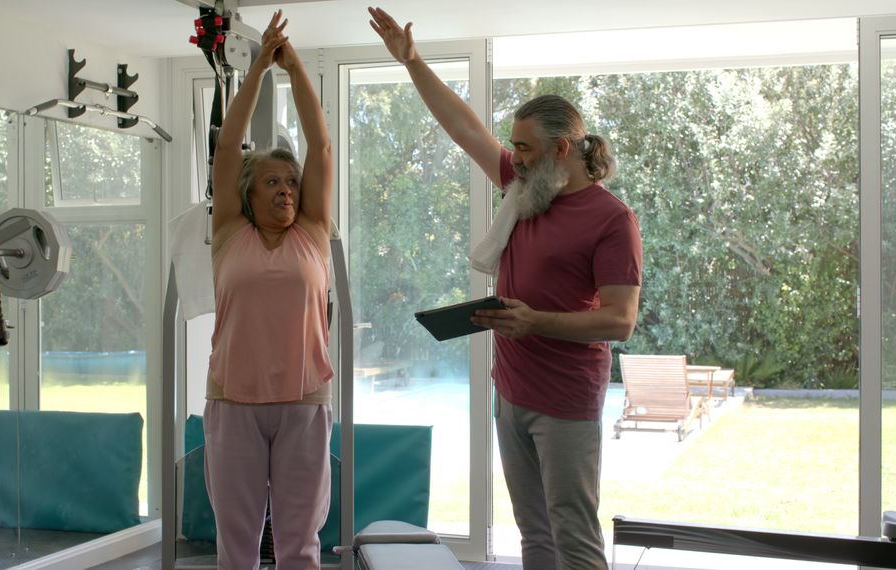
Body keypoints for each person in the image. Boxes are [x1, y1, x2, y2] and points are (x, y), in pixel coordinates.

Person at [369, 7, 642, 570]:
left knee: (573, 533)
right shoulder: (526, 189)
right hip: (511, 391)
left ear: (563, 150)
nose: (512, 157)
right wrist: (413, 62)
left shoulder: (612, 220)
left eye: (524, 148)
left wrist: (535, 320)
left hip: (566, 401)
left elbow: (620, 320)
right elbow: (462, 126)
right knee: (533, 534)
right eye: (512, 147)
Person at [205, 10, 334, 569]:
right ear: (248, 195)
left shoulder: (312, 235)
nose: (286, 190)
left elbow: (321, 147)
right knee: (236, 546)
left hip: (303, 404)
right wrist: (258, 68)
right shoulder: (230, 234)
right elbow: (228, 149)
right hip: (233, 402)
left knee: (299, 545)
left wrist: (295, 64)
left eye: (291, 182)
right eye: (272, 182)